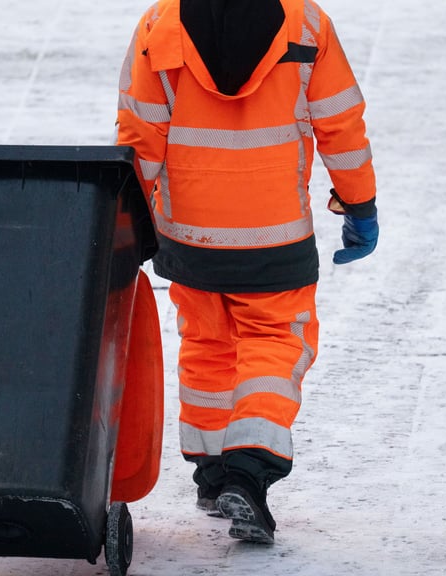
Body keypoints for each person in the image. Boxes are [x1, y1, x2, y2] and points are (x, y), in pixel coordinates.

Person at [115, 0, 378, 544]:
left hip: (190, 237)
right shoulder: (306, 24)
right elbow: (339, 123)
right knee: (277, 341)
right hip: (274, 234)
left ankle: (213, 475)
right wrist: (360, 204)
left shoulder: (159, 24)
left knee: (209, 344)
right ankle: (249, 471)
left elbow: (139, 134)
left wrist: (127, 223)